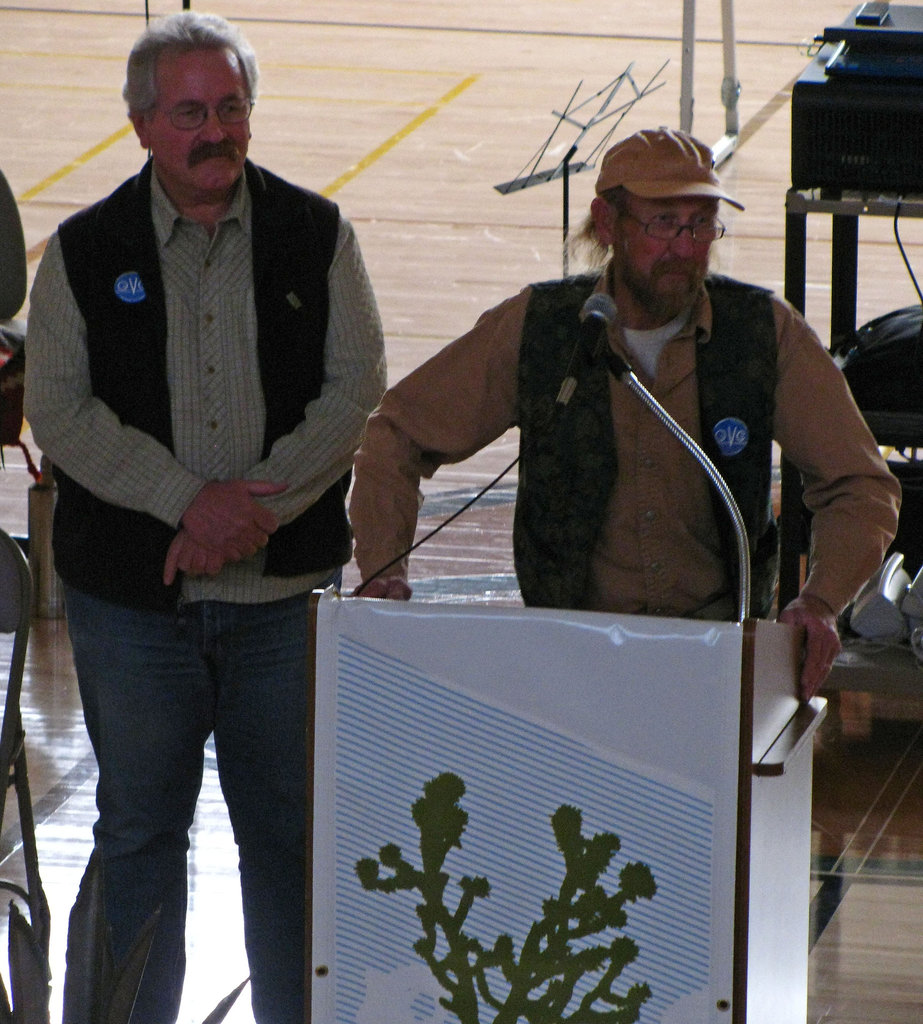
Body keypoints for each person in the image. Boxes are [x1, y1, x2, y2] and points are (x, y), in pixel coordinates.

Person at [24, 11, 385, 1024]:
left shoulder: (317, 233)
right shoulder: (85, 251)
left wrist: (245, 515)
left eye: (230, 107)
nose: (214, 130)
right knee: (140, 836)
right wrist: (191, 502)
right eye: (189, 112)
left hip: (282, 608)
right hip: (132, 615)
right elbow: (58, 409)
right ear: (141, 125)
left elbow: (354, 387)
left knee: (288, 839)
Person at [349, 127, 900, 700]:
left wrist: (820, 600)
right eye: (663, 223)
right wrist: (385, 569)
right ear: (607, 223)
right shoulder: (540, 329)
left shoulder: (764, 333)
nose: (686, 248)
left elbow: (860, 484)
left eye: (702, 223)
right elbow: (397, 433)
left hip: (716, 660)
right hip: (565, 661)